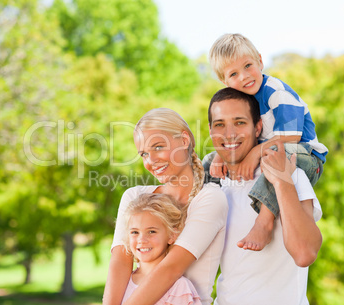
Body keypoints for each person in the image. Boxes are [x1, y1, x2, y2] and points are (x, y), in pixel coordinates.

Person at [206, 33, 328, 251]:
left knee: (274, 161)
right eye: (234, 73)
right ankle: (197, 206)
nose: (244, 76)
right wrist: (218, 156)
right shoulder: (246, 99)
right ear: (225, 82)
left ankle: (264, 221)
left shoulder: (276, 92)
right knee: (206, 161)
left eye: (248, 66)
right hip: (278, 148)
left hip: (305, 155)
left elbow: (291, 137)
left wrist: (254, 154)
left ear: (260, 61)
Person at [206, 87, 322, 304]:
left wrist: (281, 181)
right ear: (211, 130)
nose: (229, 133)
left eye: (240, 122)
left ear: (258, 127)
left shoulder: (289, 172)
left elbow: (305, 254)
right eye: (220, 124)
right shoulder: (212, 186)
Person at [103, 108, 228, 305]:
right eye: (144, 154)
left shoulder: (210, 198)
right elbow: (120, 262)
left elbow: (170, 270)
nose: (151, 161)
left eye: (158, 147)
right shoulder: (135, 197)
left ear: (184, 140)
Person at [121, 193, 202, 305]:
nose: (142, 240)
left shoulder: (179, 287)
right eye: (135, 232)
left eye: (151, 231)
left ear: (172, 235)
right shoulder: (122, 282)